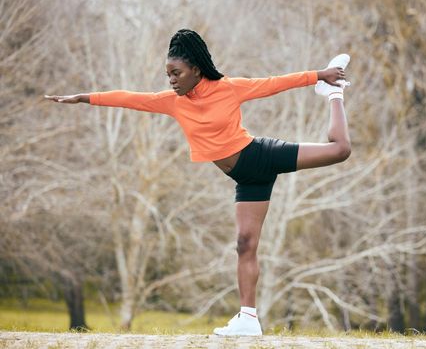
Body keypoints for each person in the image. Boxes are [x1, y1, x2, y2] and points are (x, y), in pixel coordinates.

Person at [45, 28, 351, 336]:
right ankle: (248, 319)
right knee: (245, 244)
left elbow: (273, 83)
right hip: (246, 179)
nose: (172, 80)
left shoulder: (228, 88)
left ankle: (334, 94)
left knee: (340, 150)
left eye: (176, 73)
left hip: (261, 156)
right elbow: (130, 99)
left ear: (195, 69)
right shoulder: (174, 102)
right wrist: (84, 98)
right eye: (168, 75)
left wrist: (320, 76)